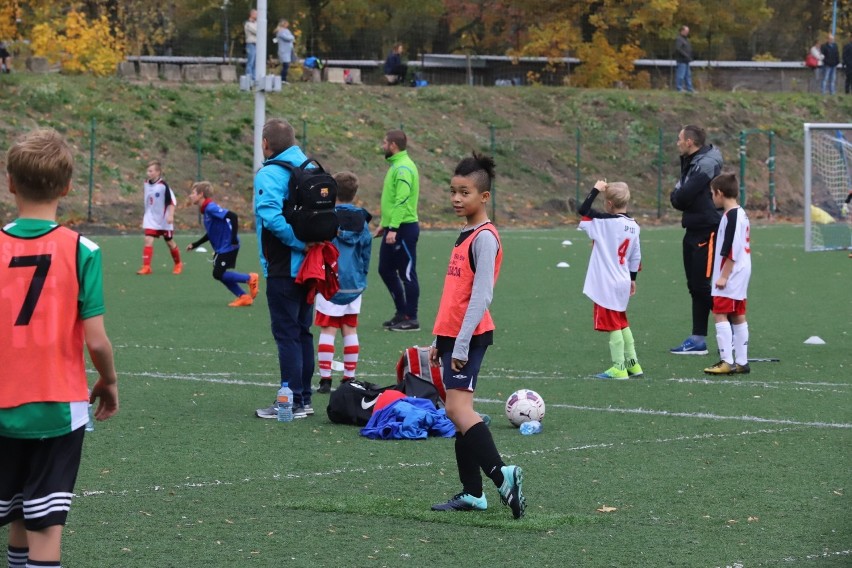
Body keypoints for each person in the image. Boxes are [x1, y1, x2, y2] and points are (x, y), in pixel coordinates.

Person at [1, 128, 119, 568]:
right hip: (56, 404)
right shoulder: (82, 249)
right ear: (68, 188)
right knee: (45, 524)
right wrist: (108, 381)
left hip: (3, 402)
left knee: (15, 511)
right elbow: (96, 340)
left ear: (10, 182)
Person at [428, 152, 525, 519]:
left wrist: (461, 343)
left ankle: (503, 475)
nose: (456, 198)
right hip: (453, 335)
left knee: (457, 409)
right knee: (460, 414)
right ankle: (473, 493)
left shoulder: (485, 237)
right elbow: (455, 295)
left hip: (470, 336)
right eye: (453, 191)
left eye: (464, 192)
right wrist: (440, 340)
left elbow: (482, 295)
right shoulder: (465, 232)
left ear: (484, 197)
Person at [253, 118, 316, 420]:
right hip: (312, 267)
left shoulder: (270, 173)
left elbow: (271, 218)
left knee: (287, 334)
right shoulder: (311, 168)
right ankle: (304, 398)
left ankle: (288, 401)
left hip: (284, 266)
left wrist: (297, 242)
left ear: (266, 144)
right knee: (303, 332)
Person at [578, 180, 643, 379]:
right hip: (623, 279)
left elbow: (583, 210)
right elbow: (636, 256)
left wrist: (596, 189)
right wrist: (633, 279)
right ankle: (633, 364)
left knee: (613, 325)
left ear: (608, 204)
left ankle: (619, 367)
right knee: (622, 322)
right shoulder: (634, 226)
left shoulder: (604, 222)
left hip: (606, 283)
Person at [315, 171, 373, 394]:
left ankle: (325, 379)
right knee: (350, 329)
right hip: (354, 285)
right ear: (354, 193)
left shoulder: (327, 217)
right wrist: (362, 274)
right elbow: (366, 251)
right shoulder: (363, 221)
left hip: (331, 282)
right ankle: (348, 378)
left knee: (328, 329)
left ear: (333, 192)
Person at [669, 125, 723, 355]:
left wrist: (680, 195)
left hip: (707, 229)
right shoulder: (691, 160)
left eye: (679, 139)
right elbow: (678, 197)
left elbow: (682, 196)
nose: (677, 142)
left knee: (702, 285)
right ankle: (698, 339)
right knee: (695, 286)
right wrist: (679, 195)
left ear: (690, 142)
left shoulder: (704, 164)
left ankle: (732, 333)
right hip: (692, 227)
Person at [703, 173, 752, 375]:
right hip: (741, 270)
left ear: (720, 193)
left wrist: (723, 275)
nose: (712, 198)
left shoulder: (731, 216)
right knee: (738, 314)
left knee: (720, 313)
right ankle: (741, 361)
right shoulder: (740, 213)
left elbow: (731, 248)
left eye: (712, 194)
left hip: (731, 272)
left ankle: (727, 361)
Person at [375, 129, 421, 331]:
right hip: (393, 227)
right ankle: (401, 312)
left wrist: (393, 228)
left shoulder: (403, 168)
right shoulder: (396, 166)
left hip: (404, 228)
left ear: (393, 145)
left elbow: (402, 201)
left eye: (385, 142)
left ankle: (412, 317)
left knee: (407, 273)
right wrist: (385, 224)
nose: (382, 146)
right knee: (384, 269)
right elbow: (393, 200)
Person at [185, 181, 259, 307]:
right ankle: (244, 297)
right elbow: (211, 233)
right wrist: (195, 244)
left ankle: (249, 278)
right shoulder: (206, 210)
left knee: (218, 273)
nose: (190, 196)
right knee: (220, 274)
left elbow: (233, 216)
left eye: (193, 193)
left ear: (201, 194)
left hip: (229, 246)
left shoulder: (210, 208)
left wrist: (234, 239)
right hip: (223, 247)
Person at [136, 160, 182, 275]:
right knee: (148, 240)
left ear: (158, 172)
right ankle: (146, 267)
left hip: (164, 219)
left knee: (169, 242)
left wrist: (170, 215)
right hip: (151, 218)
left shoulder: (163, 186)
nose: (149, 173)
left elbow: (172, 201)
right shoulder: (146, 183)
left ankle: (178, 264)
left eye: (151, 171)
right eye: (148, 171)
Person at [674, 25, 694, 93]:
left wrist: (689, 57)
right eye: (686, 31)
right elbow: (678, 49)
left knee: (688, 75)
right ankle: (679, 88)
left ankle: (689, 88)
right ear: (682, 31)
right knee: (681, 75)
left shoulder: (686, 40)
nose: (687, 33)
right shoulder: (679, 39)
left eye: (687, 31)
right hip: (681, 60)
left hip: (686, 61)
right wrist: (685, 55)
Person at [274, 19, 295, 83]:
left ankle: (283, 79)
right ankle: (283, 79)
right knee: (285, 65)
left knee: (286, 65)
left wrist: (291, 37)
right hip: (283, 51)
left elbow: (291, 37)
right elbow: (288, 38)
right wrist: (291, 37)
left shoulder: (286, 30)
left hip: (288, 50)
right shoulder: (280, 32)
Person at [244, 9, 258, 82]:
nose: (257, 15)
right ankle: (249, 78)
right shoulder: (248, 24)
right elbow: (257, 31)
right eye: (256, 14)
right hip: (251, 44)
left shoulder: (256, 23)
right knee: (251, 62)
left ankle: (254, 78)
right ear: (251, 14)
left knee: (255, 62)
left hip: (256, 45)